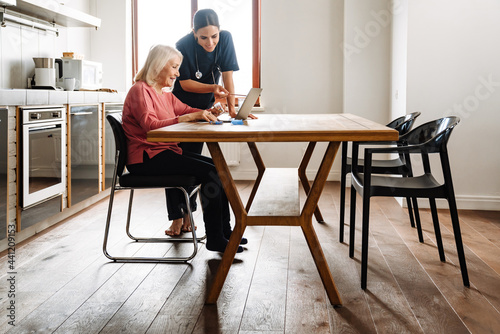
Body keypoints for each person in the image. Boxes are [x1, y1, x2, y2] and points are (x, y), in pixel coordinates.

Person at [121, 44, 243, 253]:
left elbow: (188, 110)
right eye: (175, 67)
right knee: (212, 172)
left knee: (218, 167)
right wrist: (187, 117)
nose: (178, 73)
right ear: (159, 66)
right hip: (145, 159)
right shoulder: (140, 90)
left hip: (163, 153)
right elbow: (149, 126)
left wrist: (210, 111)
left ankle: (226, 233)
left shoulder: (164, 94)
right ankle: (215, 238)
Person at [165, 8, 249, 237]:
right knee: (179, 159)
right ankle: (178, 217)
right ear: (194, 33)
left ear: (220, 31)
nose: (210, 42)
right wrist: (213, 88)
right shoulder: (182, 44)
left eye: (214, 36)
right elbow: (184, 84)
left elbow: (228, 75)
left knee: (193, 161)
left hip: (206, 109)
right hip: (183, 109)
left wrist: (233, 110)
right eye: (204, 37)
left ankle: (189, 216)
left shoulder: (227, 39)